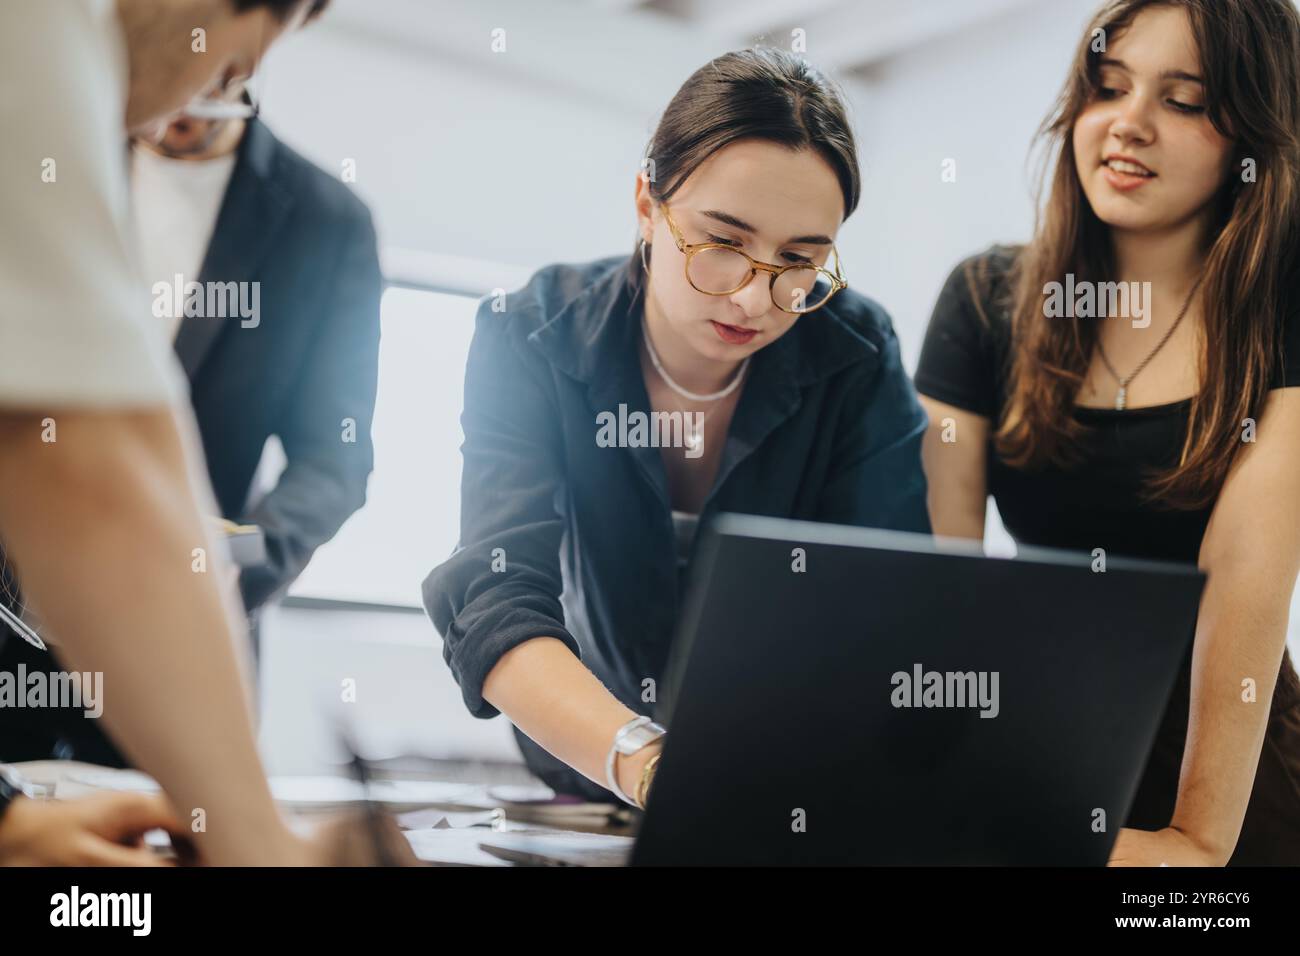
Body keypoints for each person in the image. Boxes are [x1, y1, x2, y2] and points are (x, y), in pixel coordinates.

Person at [424, 48, 931, 806]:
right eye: (723, 243)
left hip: (780, 787)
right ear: (645, 203)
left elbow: (885, 606)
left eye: (798, 261)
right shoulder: (531, 335)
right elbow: (497, 599)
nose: (755, 301)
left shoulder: (854, 354)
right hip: (586, 763)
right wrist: (642, 760)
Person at [0, 0, 400, 865]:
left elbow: (337, 456)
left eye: (231, 76)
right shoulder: (41, 63)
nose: (164, 114)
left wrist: (237, 553)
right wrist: (267, 851)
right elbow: (83, 460)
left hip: (172, 645)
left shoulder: (327, 224)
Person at [915, 0, 1300, 865]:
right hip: (1038, 727)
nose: (1129, 125)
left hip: (1223, 747)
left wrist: (1196, 842)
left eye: (1185, 100)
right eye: (1109, 87)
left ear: (1253, 134)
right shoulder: (985, 300)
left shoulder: (1280, 308)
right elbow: (937, 582)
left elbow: (1245, 575)